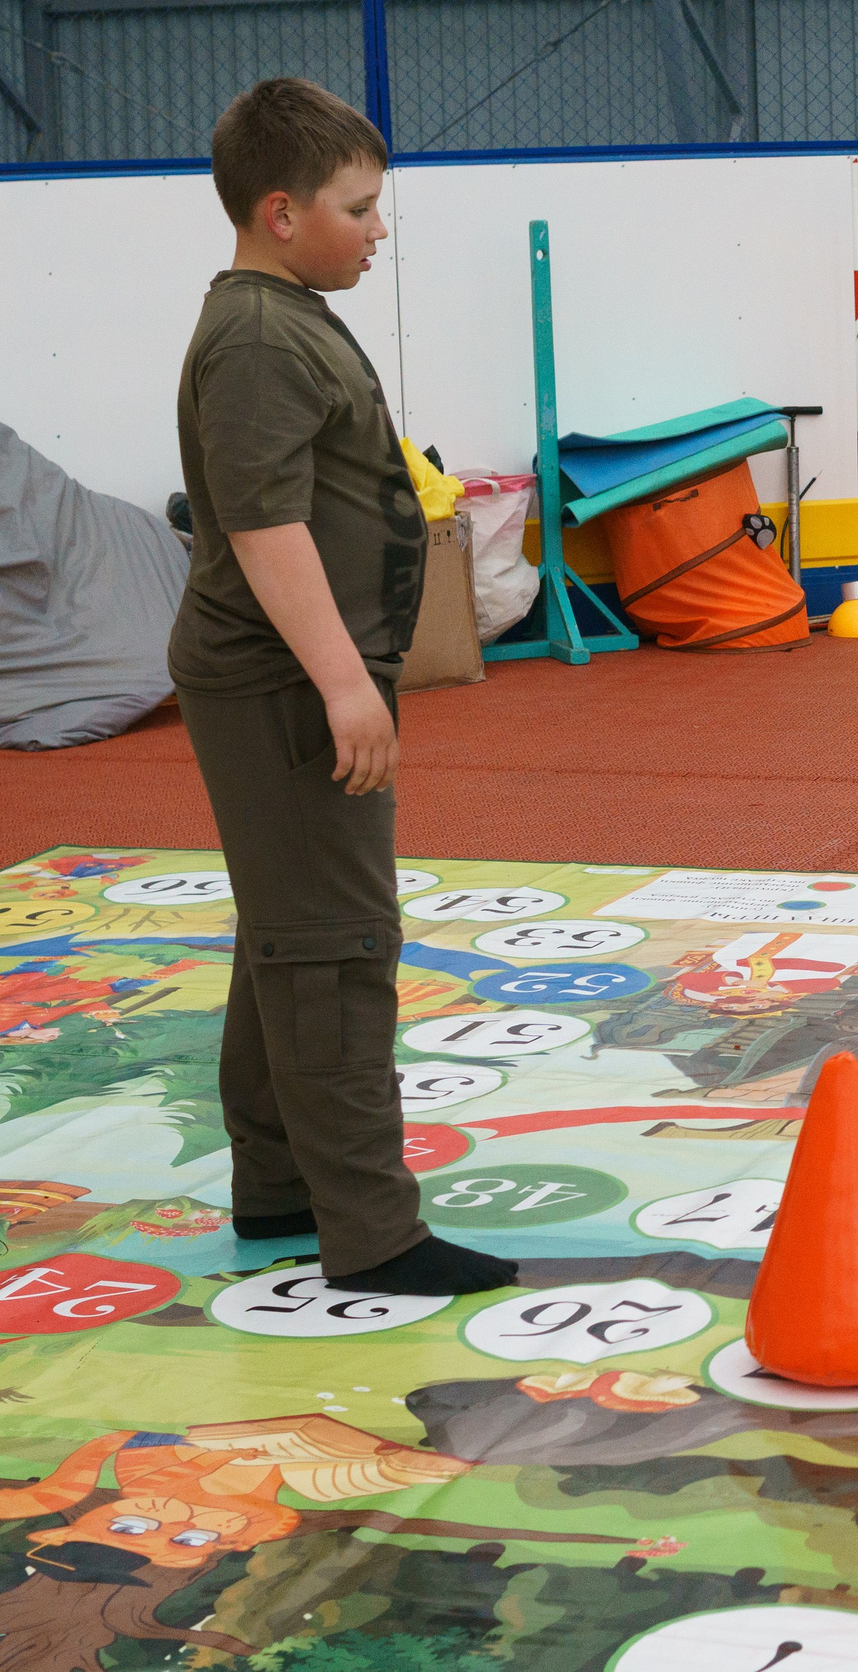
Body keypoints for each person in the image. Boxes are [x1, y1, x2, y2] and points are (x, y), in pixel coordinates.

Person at [168, 78, 514, 1295]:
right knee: (335, 947)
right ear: (279, 211)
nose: (379, 231)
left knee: (290, 935)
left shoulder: (284, 313)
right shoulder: (261, 336)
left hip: (287, 675)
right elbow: (267, 531)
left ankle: (278, 1185)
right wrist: (343, 686)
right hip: (284, 683)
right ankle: (372, 1231)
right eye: (359, 210)